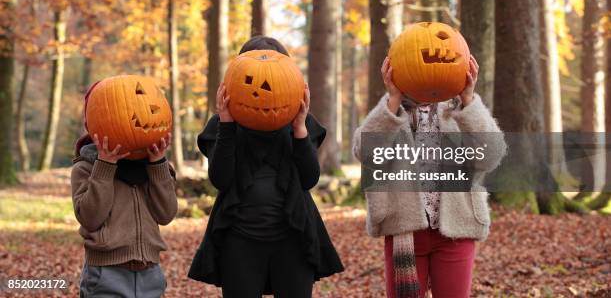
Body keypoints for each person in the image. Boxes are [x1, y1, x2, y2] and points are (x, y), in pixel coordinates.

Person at [188, 36, 344, 298]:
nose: (264, 87)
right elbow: (221, 180)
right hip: (239, 240)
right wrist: (226, 124)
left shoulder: (300, 124)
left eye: (275, 76)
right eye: (250, 77)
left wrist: (300, 129)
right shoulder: (222, 126)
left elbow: (309, 179)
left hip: (293, 237)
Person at [353, 55, 507, 298]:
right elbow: (365, 152)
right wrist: (393, 100)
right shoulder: (393, 112)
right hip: (404, 231)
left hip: (456, 230)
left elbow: (491, 156)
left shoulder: (459, 110)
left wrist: (468, 99)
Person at [71, 86, 177, 298]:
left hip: (150, 274)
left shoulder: (156, 168)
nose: (132, 117)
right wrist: (105, 166)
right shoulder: (86, 168)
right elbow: (91, 218)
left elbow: (166, 214)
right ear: (90, 123)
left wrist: (157, 165)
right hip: (105, 275)